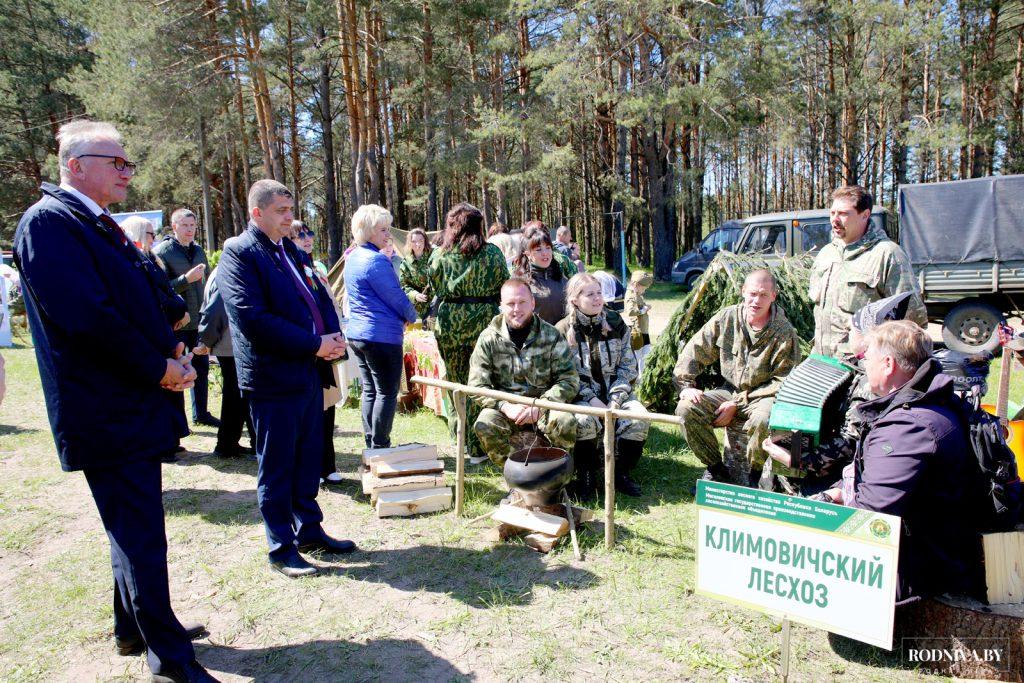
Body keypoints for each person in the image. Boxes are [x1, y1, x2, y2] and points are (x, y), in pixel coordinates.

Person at [13, 120, 214, 682]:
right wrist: (157, 367)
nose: (128, 171)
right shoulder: (49, 223)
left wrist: (168, 341)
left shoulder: (89, 220)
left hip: (126, 399)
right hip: (105, 406)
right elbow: (88, 318)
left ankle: (134, 627)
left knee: (130, 525)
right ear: (75, 165)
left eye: (128, 163)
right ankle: (170, 658)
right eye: (116, 162)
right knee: (140, 530)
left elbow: (136, 297)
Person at [219, 179, 354, 579]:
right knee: (277, 465)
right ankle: (281, 546)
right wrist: (314, 343)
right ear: (256, 213)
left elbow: (318, 293)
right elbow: (252, 319)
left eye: (291, 209)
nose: (290, 217)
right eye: (281, 210)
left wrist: (332, 338)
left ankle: (309, 530)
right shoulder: (239, 253)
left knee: (307, 457)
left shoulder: (289, 249)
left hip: (308, 372)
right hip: (271, 378)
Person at [815, 321, 984, 603]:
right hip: (935, 553)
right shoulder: (930, 403)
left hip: (919, 575)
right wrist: (834, 493)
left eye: (866, 359)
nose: (864, 367)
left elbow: (869, 513)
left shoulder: (909, 426)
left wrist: (810, 528)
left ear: (888, 364)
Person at [763, 292, 915, 495]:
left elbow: (850, 443)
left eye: (852, 329)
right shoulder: (864, 370)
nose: (847, 334)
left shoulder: (870, 384)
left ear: (867, 338)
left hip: (839, 478)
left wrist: (797, 460)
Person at [674, 269, 802, 488]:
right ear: (743, 291)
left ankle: (754, 475)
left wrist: (737, 403)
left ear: (774, 295)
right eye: (752, 293)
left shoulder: (784, 331)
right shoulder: (727, 318)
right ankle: (716, 469)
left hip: (764, 395)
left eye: (763, 295)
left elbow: (783, 381)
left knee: (762, 419)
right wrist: (685, 386)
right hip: (729, 390)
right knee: (686, 408)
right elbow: (693, 351)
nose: (756, 300)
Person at [556, 273, 649, 497]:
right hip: (582, 397)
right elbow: (565, 375)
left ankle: (620, 474)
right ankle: (586, 477)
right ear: (575, 300)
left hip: (617, 393)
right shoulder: (561, 330)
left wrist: (615, 399)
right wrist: (592, 399)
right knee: (584, 421)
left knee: (638, 418)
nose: (598, 299)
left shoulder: (616, 323)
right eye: (590, 294)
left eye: (599, 293)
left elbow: (628, 367)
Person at [429, 202, 508, 463]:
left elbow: (433, 285)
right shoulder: (492, 254)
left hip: (449, 322)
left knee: (455, 380)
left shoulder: (440, 255)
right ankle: (477, 445)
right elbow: (503, 287)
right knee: (481, 381)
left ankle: (459, 438)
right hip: (483, 322)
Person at [469, 279, 579, 465]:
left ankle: (557, 475)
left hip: (545, 408)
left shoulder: (551, 335)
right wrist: (505, 406)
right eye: (510, 304)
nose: (516, 309)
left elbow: (569, 379)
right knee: (485, 423)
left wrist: (542, 405)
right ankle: (516, 475)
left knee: (565, 421)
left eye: (522, 302)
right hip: (508, 410)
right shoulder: (488, 339)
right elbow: (477, 385)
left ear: (533, 303)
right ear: (501, 305)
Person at [810, 185, 926, 359]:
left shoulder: (887, 254)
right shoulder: (827, 253)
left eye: (843, 213)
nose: (835, 219)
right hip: (824, 361)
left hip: (864, 367)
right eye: (832, 213)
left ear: (865, 215)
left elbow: (912, 320)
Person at [344, 204, 418, 449]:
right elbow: (396, 297)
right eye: (383, 229)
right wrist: (412, 315)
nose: (388, 234)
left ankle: (371, 441)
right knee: (386, 392)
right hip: (380, 337)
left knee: (370, 390)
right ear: (367, 231)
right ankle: (380, 444)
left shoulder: (353, 257)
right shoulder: (376, 261)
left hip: (358, 335)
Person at [153, 209, 218, 428]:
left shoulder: (199, 250)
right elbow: (159, 289)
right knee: (178, 369)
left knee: (201, 368)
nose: (190, 230)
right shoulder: (162, 251)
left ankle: (201, 413)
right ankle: (178, 423)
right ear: (174, 227)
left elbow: (207, 284)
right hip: (177, 322)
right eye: (185, 225)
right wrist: (185, 279)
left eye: (193, 226)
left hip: (199, 319)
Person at [292, 219, 344, 484]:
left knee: (327, 409)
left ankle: (328, 464)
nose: (307, 239)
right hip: (309, 349)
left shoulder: (316, 268)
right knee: (309, 415)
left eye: (309, 233)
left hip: (328, 347)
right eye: (300, 236)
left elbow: (330, 304)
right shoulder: (291, 270)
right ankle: (313, 468)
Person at [198, 264, 254, 459]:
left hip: (230, 344)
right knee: (234, 396)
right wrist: (206, 341)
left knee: (238, 395)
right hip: (228, 345)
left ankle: (231, 442)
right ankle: (226, 444)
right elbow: (215, 312)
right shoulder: (226, 271)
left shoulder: (221, 270)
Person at [513, 229, 567, 325]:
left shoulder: (560, 277)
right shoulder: (520, 282)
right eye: (538, 249)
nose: (545, 253)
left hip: (562, 336)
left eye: (548, 247)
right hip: (535, 337)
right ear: (527, 254)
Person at [399, 227, 433, 322]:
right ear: (410, 243)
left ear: (425, 241)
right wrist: (415, 295)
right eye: (414, 241)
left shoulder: (433, 257)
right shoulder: (406, 262)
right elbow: (404, 285)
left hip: (434, 305)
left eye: (421, 241)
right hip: (416, 308)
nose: (417, 244)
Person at [623, 270, 654, 372]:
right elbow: (630, 312)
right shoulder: (631, 295)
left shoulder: (637, 293)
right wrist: (644, 309)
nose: (644, 290)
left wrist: (644, 306)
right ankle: (638, 378)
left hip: (643, 329)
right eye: (643, 288)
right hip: (637, 331)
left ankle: (643, 375)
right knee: (638, 356)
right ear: (636, 285)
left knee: (646, 354)